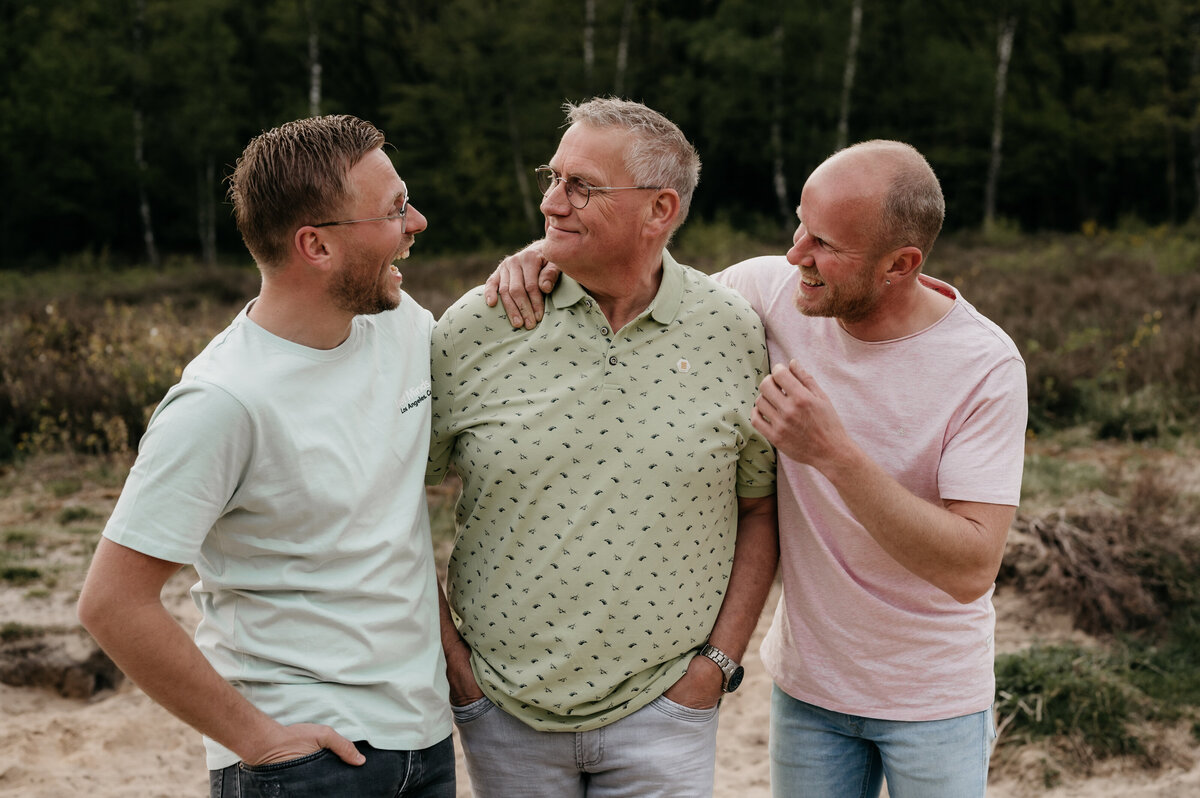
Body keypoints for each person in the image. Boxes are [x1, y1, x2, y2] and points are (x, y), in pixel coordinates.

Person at [488, 139, 1028, 797]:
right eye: (800, 225)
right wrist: (546, 256)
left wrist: (833, 454)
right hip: (808, 693)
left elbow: (971, 568)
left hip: (934, 701)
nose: (797, 253)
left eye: (825, 245)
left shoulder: (983, 367)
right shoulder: (767, 290)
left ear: (900, 264)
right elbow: (647, 295)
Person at [77, 115, 455, 798]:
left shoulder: (402, 326)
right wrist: (261, 740)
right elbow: (112, 602)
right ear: (316, 245)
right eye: (395, 209)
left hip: (424, 744)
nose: (417, 221)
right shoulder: (222, 401)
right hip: (304, 767)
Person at [427, 97, 777, 798]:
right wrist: (457, 667)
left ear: (660, 209)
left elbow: (759, 508)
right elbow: (394, 505)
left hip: (668, 710)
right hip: (502, 711)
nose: (552, 202)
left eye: (581, 185)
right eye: (552, 177)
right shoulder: (478, 326)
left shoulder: (735, 330)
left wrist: (716, 666)